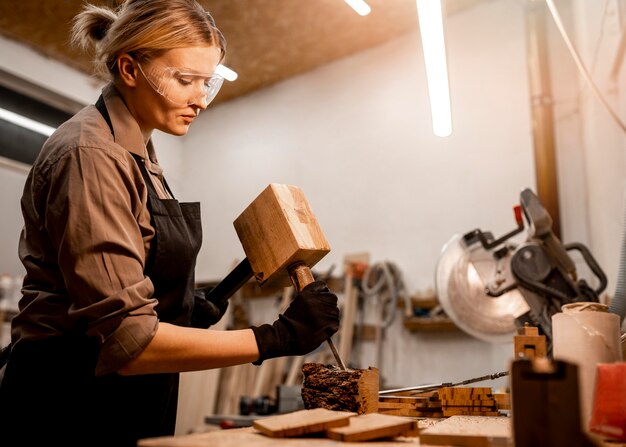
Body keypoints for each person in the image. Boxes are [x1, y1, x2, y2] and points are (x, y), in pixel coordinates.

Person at [0, 0, 340, 445]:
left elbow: (132, 275)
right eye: (185, 81)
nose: (200, 99)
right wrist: (275, 337)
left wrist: (184, 306)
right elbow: (130, 340)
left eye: (208, 83)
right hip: (70, 404)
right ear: (129, 68)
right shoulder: (92, 155)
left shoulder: (141, 150)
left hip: (130, 397)